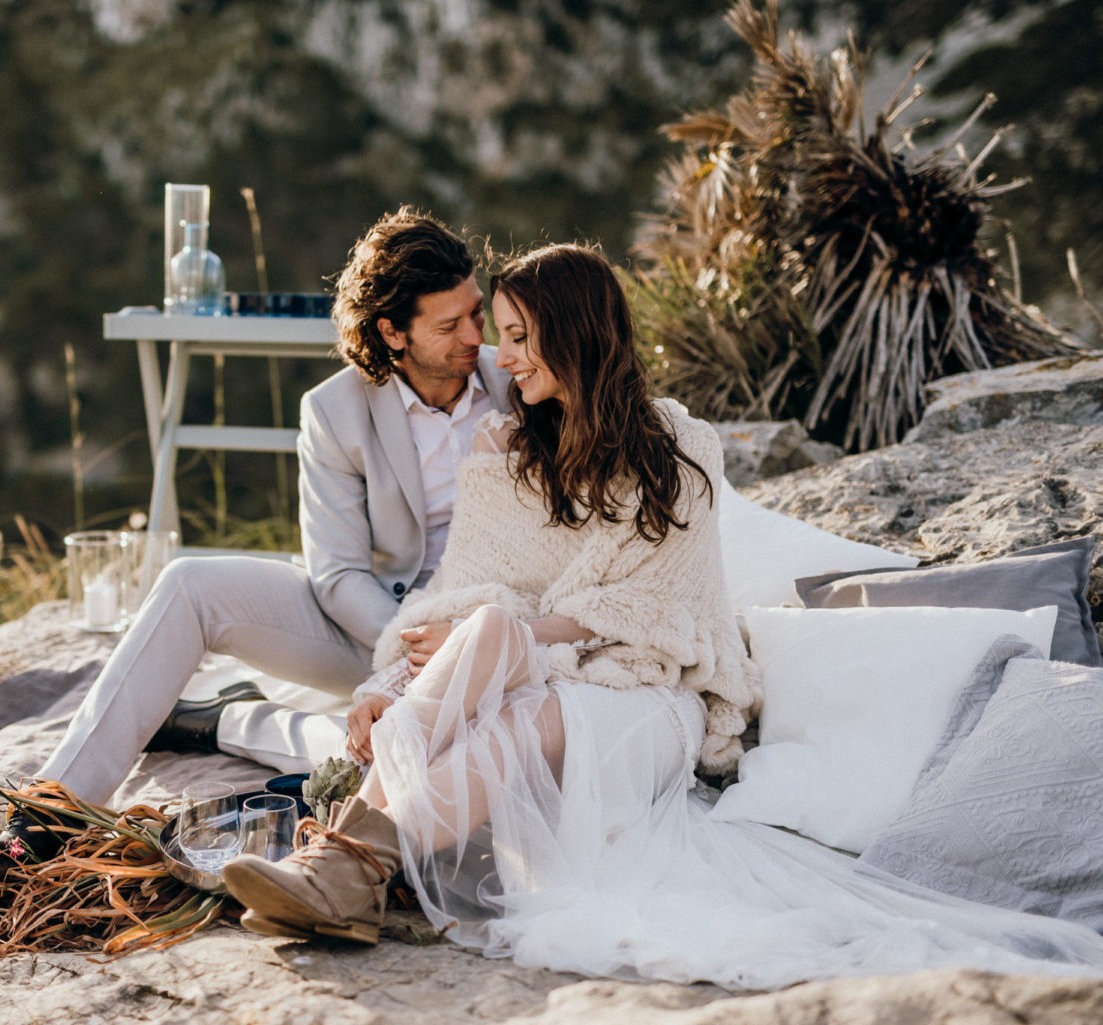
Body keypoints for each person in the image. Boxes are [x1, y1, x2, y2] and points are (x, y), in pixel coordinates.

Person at [223, 243, 1103, 988]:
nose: (503, 358)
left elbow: (660, 611)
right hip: (547, 683)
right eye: (501, 336)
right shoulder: (505, 453)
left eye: (522, 338)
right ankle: (352, 867)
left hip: (652, 705)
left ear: (575, 336)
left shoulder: (680, 450)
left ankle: (346, 863)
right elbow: (462, 593)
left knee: (509, 657)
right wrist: (388, 682)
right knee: (497, 651)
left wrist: (532, 632)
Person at [0, 207, 513, 878]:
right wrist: (410, 639)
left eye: (476, 315)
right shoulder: (334, 411)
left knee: (386, 753)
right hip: (381, 626)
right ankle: (48, 813)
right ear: (392, 332)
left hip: (493, 631)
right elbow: (335, 575)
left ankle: (223, 721)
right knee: (191, 585)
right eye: (449, 326)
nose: (474, 338)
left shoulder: (519, 381)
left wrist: (468, 638)